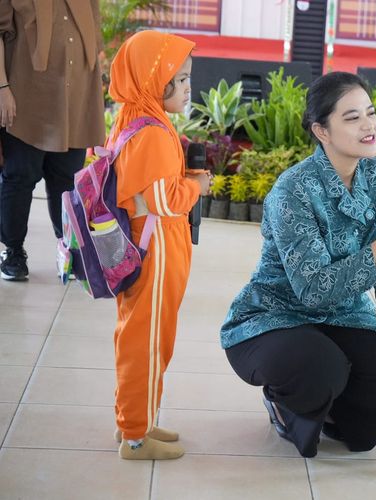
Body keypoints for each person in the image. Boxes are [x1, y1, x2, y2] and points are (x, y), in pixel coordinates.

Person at [221, 72, 376, 458]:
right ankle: (284, 404)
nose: (369, 125)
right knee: (322, 368)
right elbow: (313, 290)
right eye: (352, 118)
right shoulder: (293, 188)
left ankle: (329, 411)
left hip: (345, 317)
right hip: (273, 317)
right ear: (322, 131)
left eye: (370, 113)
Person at [108, 30, 210, 460]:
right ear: (154, 80)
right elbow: (160, 200)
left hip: (145, 245)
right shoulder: (151, 132)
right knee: (147, 340)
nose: (189, 88)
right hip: (156, 248)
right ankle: (135, 437)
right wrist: (196, 187)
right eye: (180, 79)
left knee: (145, 335)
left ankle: (136, 420)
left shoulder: (137, 117)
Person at [0, 0, 105, 281]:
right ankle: (12, 251)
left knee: (66, 180)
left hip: (73, 102)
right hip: (27, 99)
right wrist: (2, 88)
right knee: (20, 176)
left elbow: (93, 43)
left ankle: (68, 249)